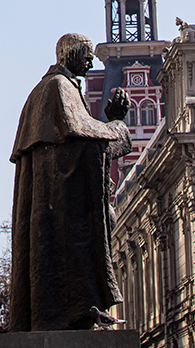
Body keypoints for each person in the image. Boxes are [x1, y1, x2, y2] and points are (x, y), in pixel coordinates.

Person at [9, 33, 131, 331]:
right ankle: (78, 311)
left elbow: (81, 138)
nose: (90, 63)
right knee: (72, 257)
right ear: (69, 54)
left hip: (56, 204)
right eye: (86, 56)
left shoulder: (51, 89)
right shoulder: (59, 88)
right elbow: (85, 141)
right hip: (64, 207)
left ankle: (81, 311)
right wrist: (117, 124)